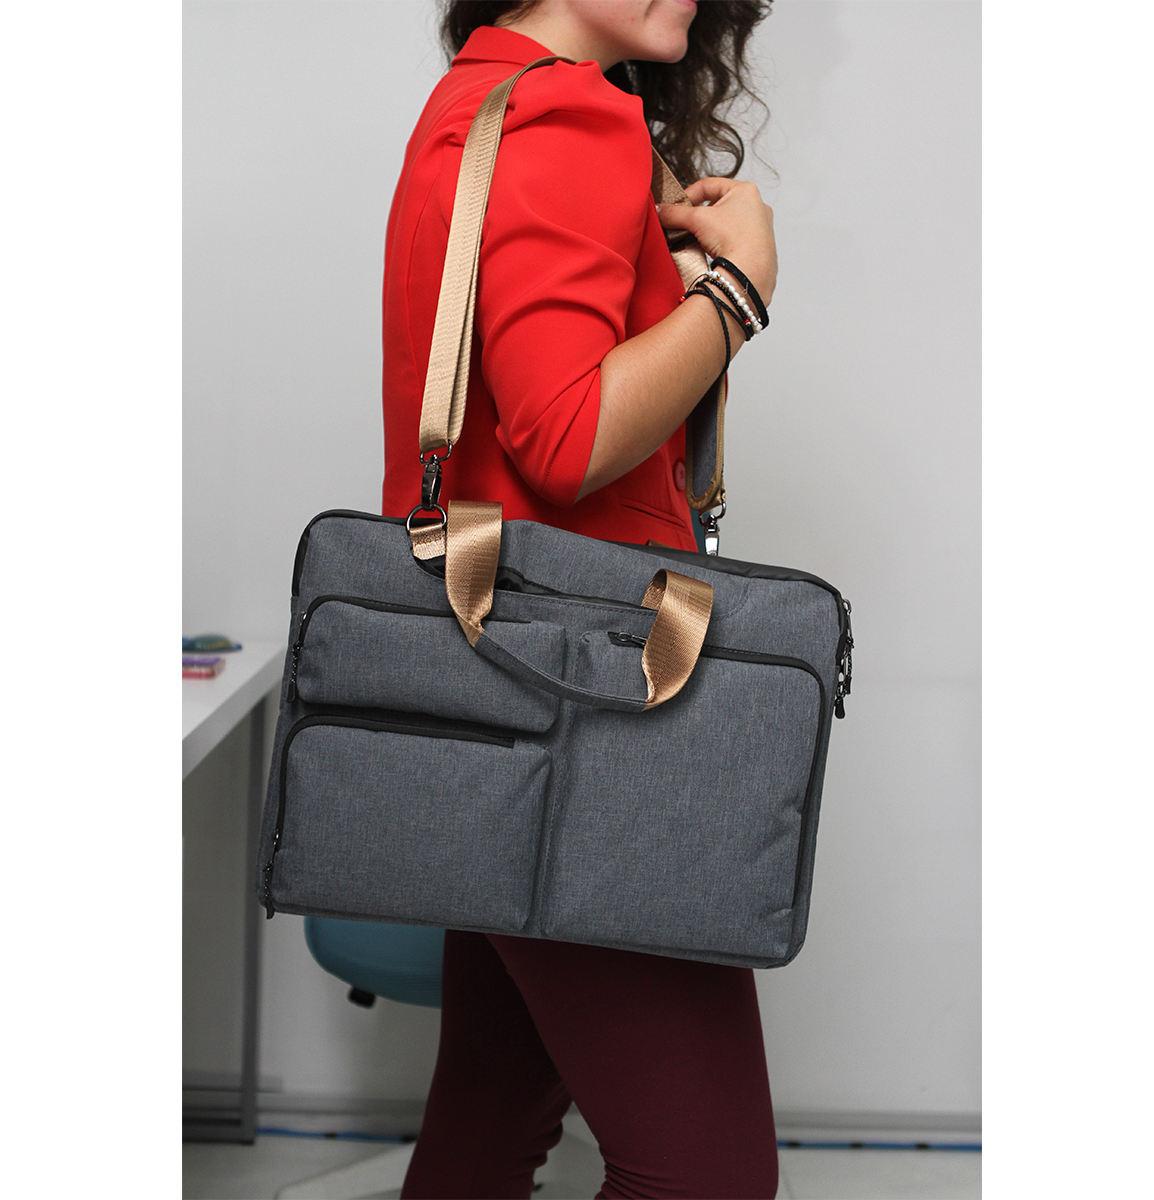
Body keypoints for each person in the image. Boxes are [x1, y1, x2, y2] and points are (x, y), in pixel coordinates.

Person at [382, 3, 779, 1196]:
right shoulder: (563, 115)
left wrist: (669, 274)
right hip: (585, 706)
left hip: (489, 683)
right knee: (707, 1175)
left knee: (487, 1128)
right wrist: (738, 293)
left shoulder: (482, 99)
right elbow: (567, 437)